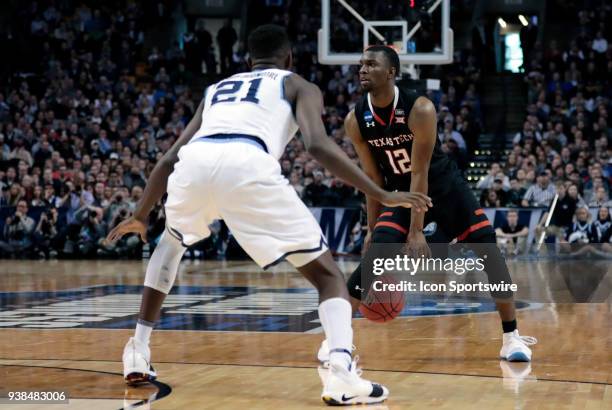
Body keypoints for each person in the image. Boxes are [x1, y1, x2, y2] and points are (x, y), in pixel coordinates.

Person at [107, 25, 432, 405]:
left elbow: (167, 158)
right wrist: (379, 192)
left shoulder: (217, 89)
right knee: (328, 277)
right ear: (289, 58)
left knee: (171, 243)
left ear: (248, 60)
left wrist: (142, 214)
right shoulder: (298, 85)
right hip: (247, 162)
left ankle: (137, 348)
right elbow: (316, 144)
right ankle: (341, 372)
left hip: (195, 162)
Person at [318, 45, 536, 365]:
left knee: (488, 248)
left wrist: (416, 231)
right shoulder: (356, 120)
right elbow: (372, 177)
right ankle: (337, 342)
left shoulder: (419, 108)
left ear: (391, 72)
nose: (362, 69)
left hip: (445, 190)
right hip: (399, 193)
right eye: (360, 64)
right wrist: (371, 228)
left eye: (370, 64)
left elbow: (420, 171)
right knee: (375, 255)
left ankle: (510, 337)